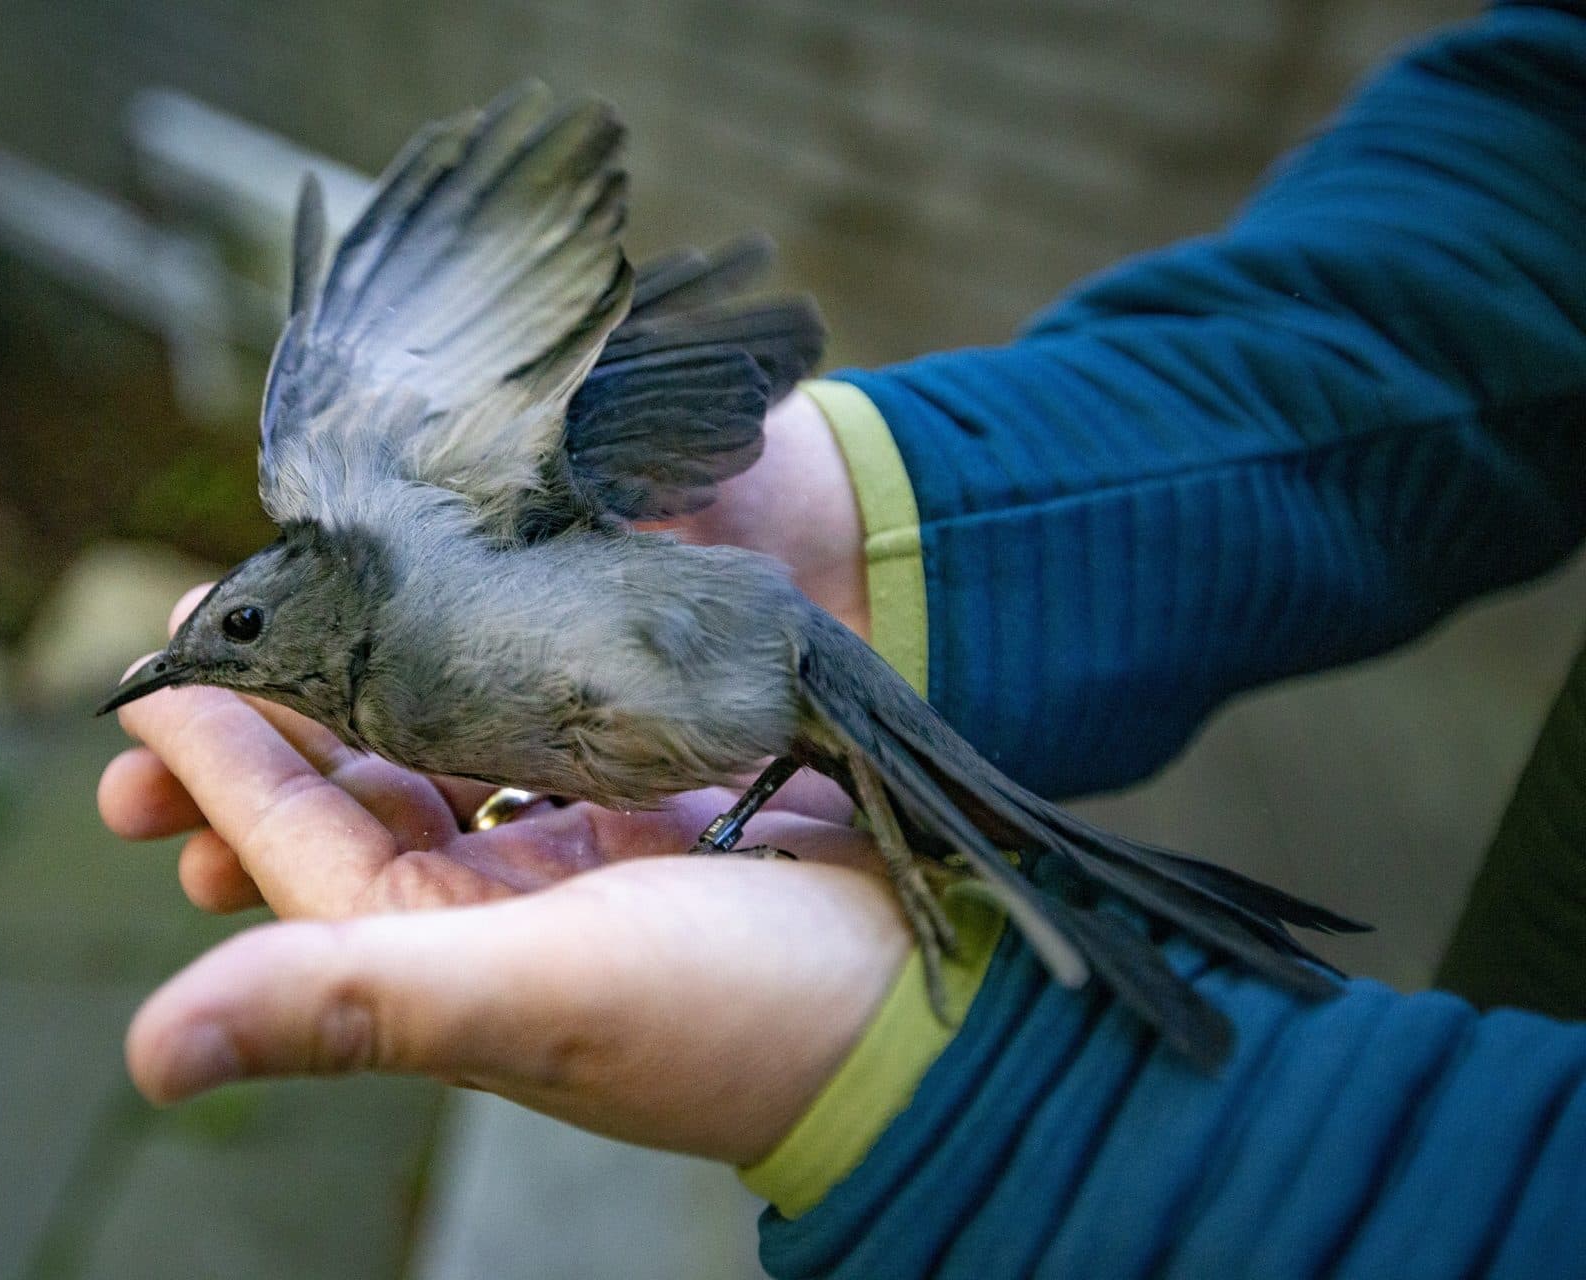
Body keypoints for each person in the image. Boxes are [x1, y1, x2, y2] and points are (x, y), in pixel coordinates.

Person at [98, 3, 1586, 1275]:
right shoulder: (393, 668)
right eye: (217, 645)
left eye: (236, 631)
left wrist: (904, 1080)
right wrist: (905, 505)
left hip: (752, 658)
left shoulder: (386, 519)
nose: (220, 655)